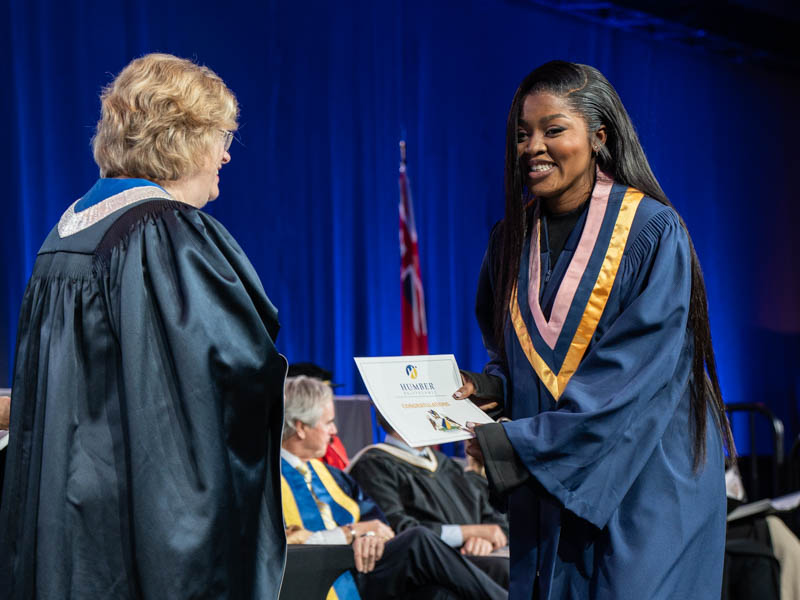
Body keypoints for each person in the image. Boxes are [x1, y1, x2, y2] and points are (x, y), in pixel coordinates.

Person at [0, 54, 287, 599]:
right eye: (221, 135)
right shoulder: (166, 232)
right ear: (182, 137)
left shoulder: (63, 238)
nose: (226, 153)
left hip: (69, 524)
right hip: (133, 532)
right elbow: (224, 378)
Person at [457, 60, 736, 599]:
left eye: (553, 129)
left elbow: (629, 376)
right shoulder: (510, 240)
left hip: (644, 484)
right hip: (555, 487)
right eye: (522, 134)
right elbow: (518, 357)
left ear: (599, 138)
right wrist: (489, 390)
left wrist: (513, 445)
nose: (533, 146)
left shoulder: (651, 232)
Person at [280, 375, 507, 600]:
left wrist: (370, 534)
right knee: (417, 540)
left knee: (456, 588)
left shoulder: (333, 476)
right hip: (329, 573)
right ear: (301, 427)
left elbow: (378, 524)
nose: (335, 431)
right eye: (328, 422)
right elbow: (282, 542)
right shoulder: (268, 482)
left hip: (365, 565)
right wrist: (352, 533)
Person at [348, 414, 510, 587]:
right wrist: (471, 533)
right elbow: (399, 530)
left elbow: (494, 520)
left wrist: (483, 539)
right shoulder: (374, 465)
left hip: (466, 561)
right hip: (420, 574)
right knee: (502, 570)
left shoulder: (447, 464)